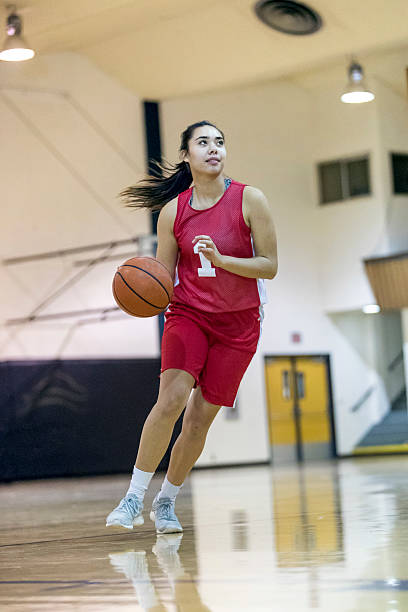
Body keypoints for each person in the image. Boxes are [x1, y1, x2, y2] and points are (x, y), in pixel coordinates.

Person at [106, 120, 278, 534]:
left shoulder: (250, 200)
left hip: (239, 324)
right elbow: (162, 278)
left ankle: (166, 501)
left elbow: (269, 266)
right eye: (203, 143)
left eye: (219, 142)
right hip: (189, 315)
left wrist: (223, 261)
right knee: (172, 400)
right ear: (187, 155)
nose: (213, 149)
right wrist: (137, 292)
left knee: (199, 421)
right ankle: (132, 498)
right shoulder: (173, 212)